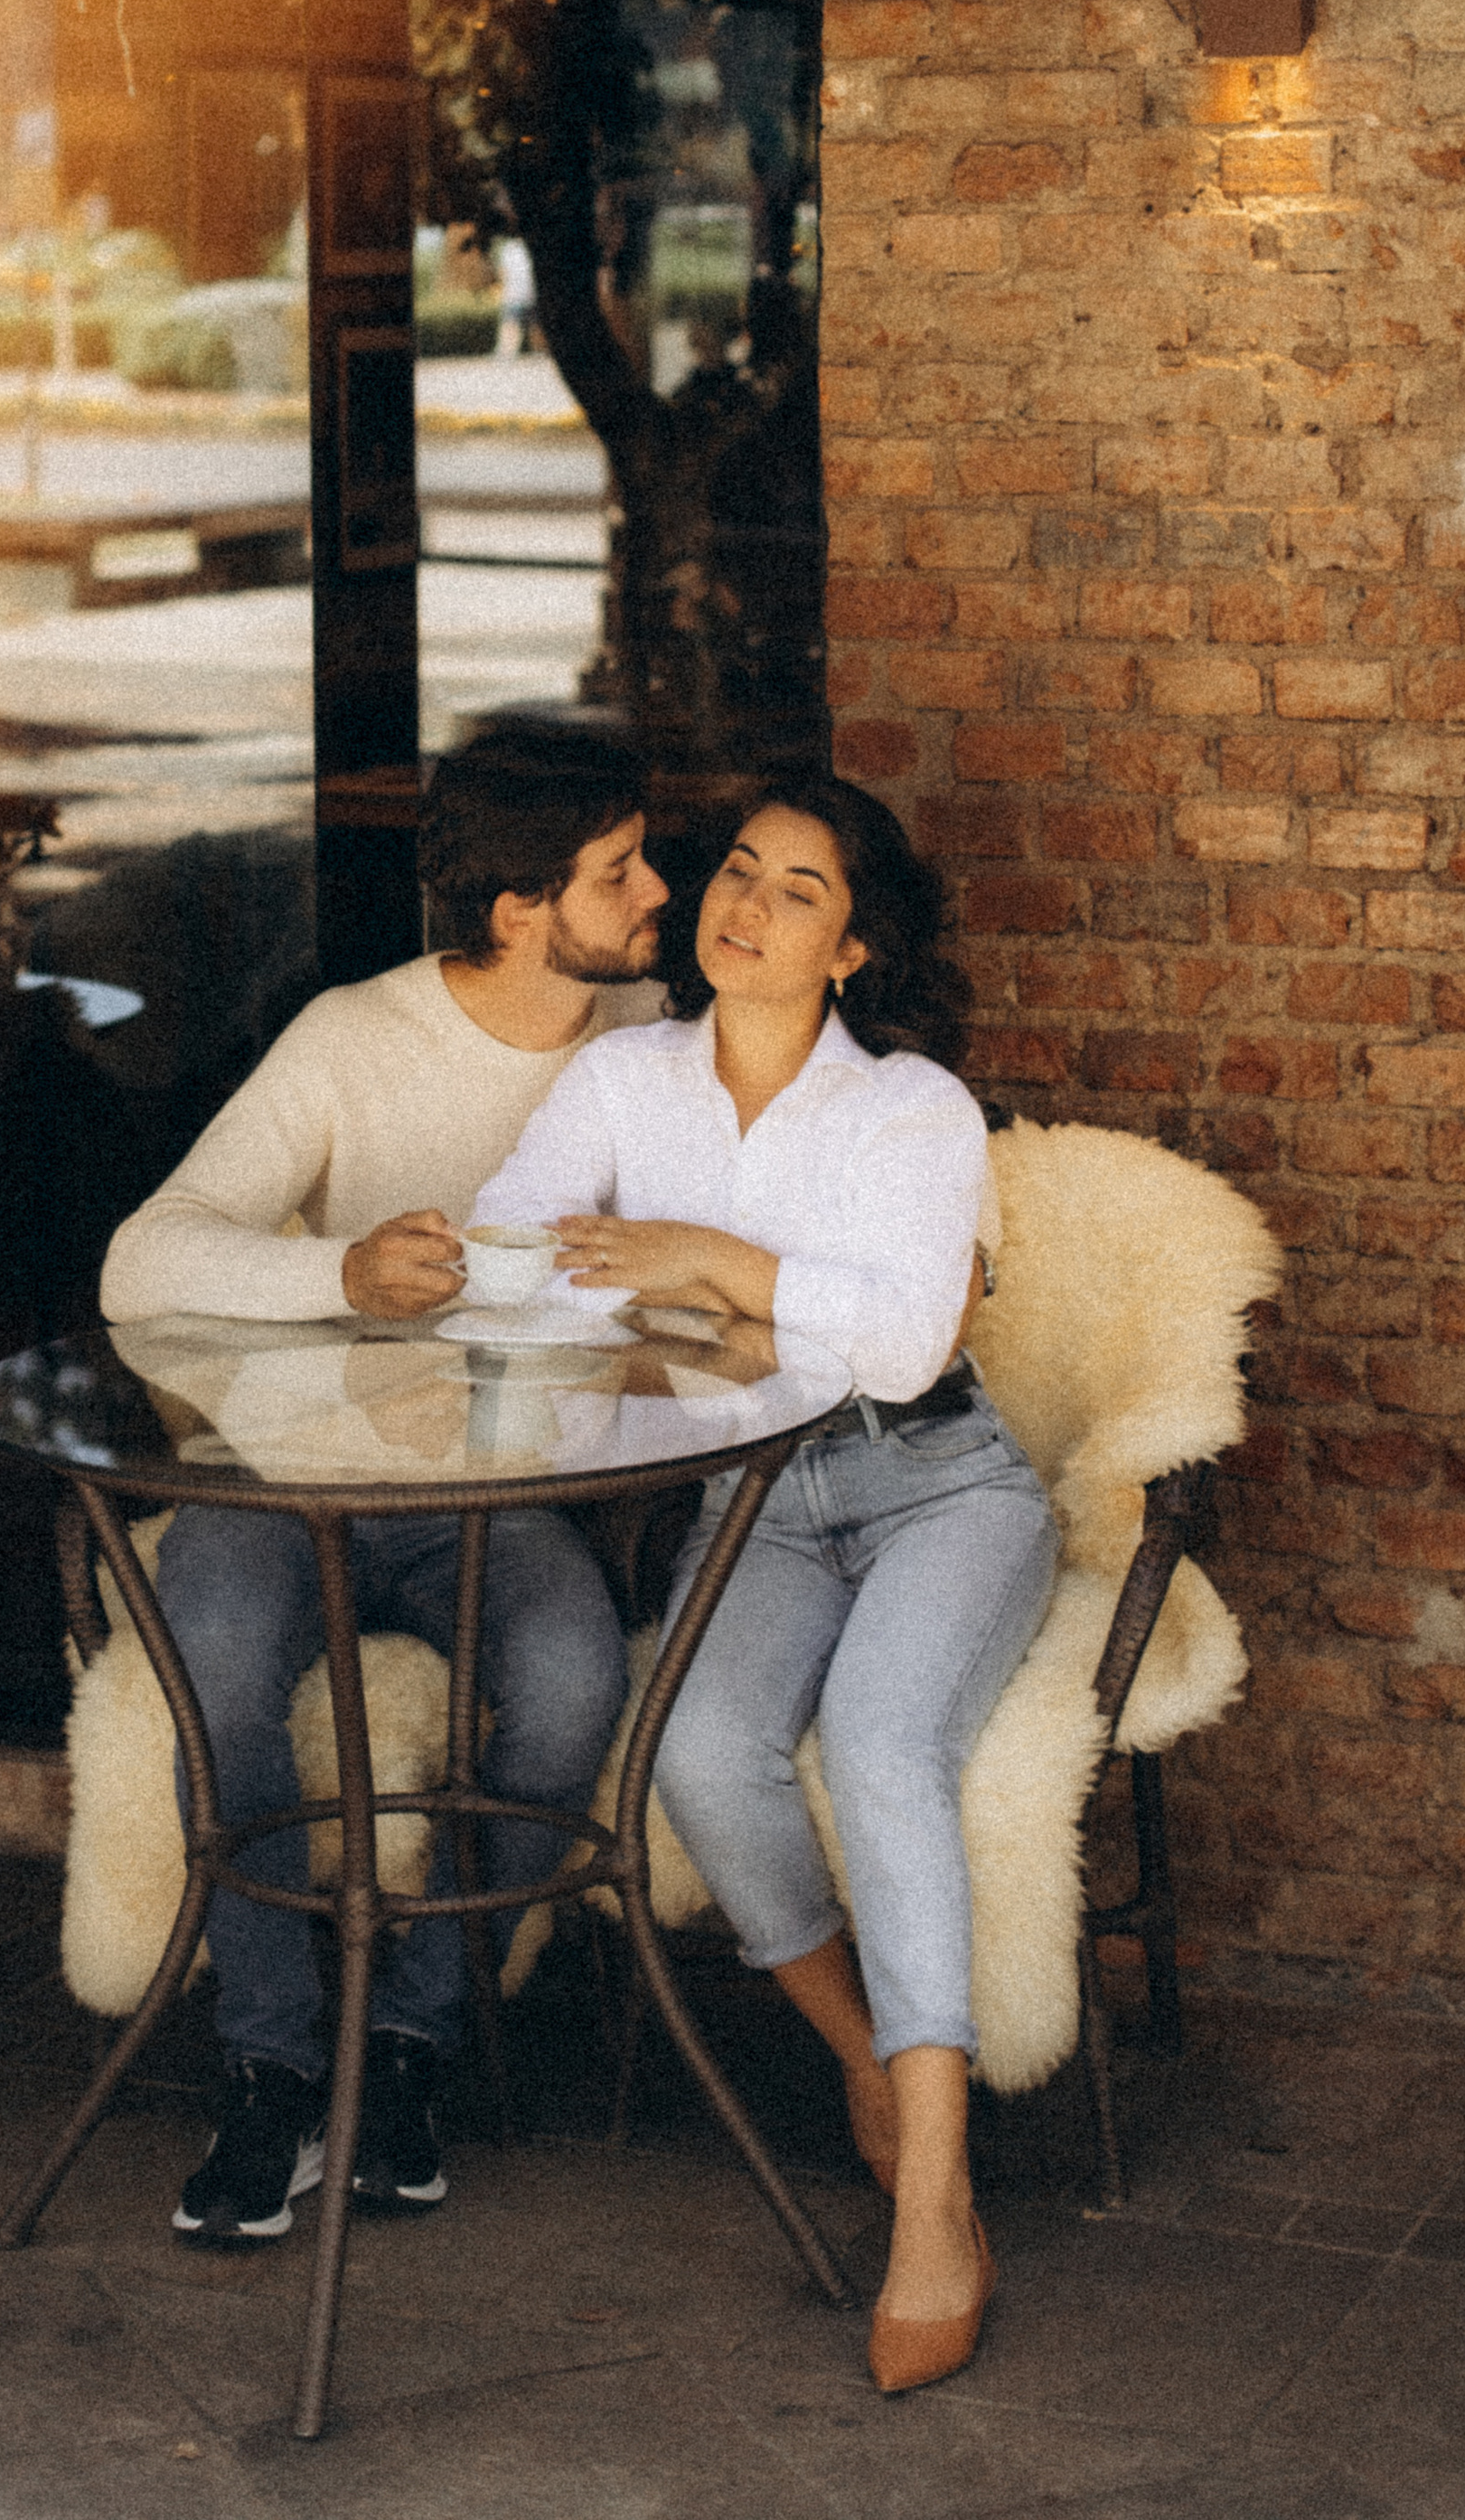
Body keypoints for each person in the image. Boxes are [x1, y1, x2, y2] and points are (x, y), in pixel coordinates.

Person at [468, 772, 1057, 2395]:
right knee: (693, 1746)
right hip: (757, 1502)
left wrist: (707, 1263)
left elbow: (911, 1345)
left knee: (879, 1739)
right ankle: (862, 2050)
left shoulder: (911, 1108)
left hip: (941, 1484)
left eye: (801, 891)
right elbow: (513, 1256)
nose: (747, 906)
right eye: (738, 871)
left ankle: (934, 2203)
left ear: (853, 948)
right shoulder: (624, 1078)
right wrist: (731, 1306)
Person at [98, 718, 666, 2247]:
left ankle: (416, 2030)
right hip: (287, 1480)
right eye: (621, 869)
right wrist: (337, 1272)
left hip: (493, 1499)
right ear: (522, 911)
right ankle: (272, 2064)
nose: (659, 892)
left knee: (572, 1676)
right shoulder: (353, 1036)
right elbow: (143, 1259)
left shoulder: (653, 1037)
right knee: (215, 1661)